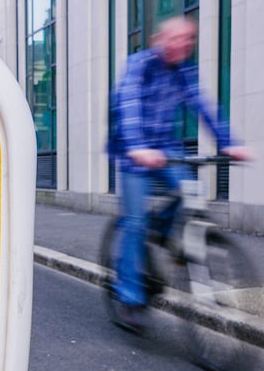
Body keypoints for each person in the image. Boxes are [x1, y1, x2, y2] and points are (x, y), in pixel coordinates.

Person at [107, 16, 250, 333]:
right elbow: (127, 103)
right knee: (134, 222)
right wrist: (137, 147)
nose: (183, 45)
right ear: (160, 39)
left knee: (193, 191)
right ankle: (129, 297)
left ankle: (163, 229)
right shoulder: (140, 65)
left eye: (189, 40)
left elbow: (204, 106)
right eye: (177, 39)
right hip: (134, 152)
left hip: (165, 148)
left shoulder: (185, 72)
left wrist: (229, 144)